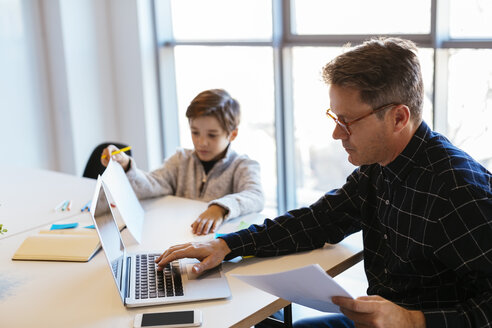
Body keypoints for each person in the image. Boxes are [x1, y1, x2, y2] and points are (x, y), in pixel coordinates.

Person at [153, 37, 492, 327]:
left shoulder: (457, 190)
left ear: (398, 117)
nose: (336, 133)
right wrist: (228, 245)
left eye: (347, 121)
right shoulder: (379, 167)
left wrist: (414, 320)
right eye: (335, 118)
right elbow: (319, 220)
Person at [101, 89, 265, 235]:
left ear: (232, 134)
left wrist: (220, 208)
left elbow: (256, 196)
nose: (202, 142)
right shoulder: (181, 159)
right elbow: (153, 183)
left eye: (212, 135)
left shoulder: (243, 165)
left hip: (215, 245)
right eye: (195, 132)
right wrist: (126, 165)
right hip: (178, 236)